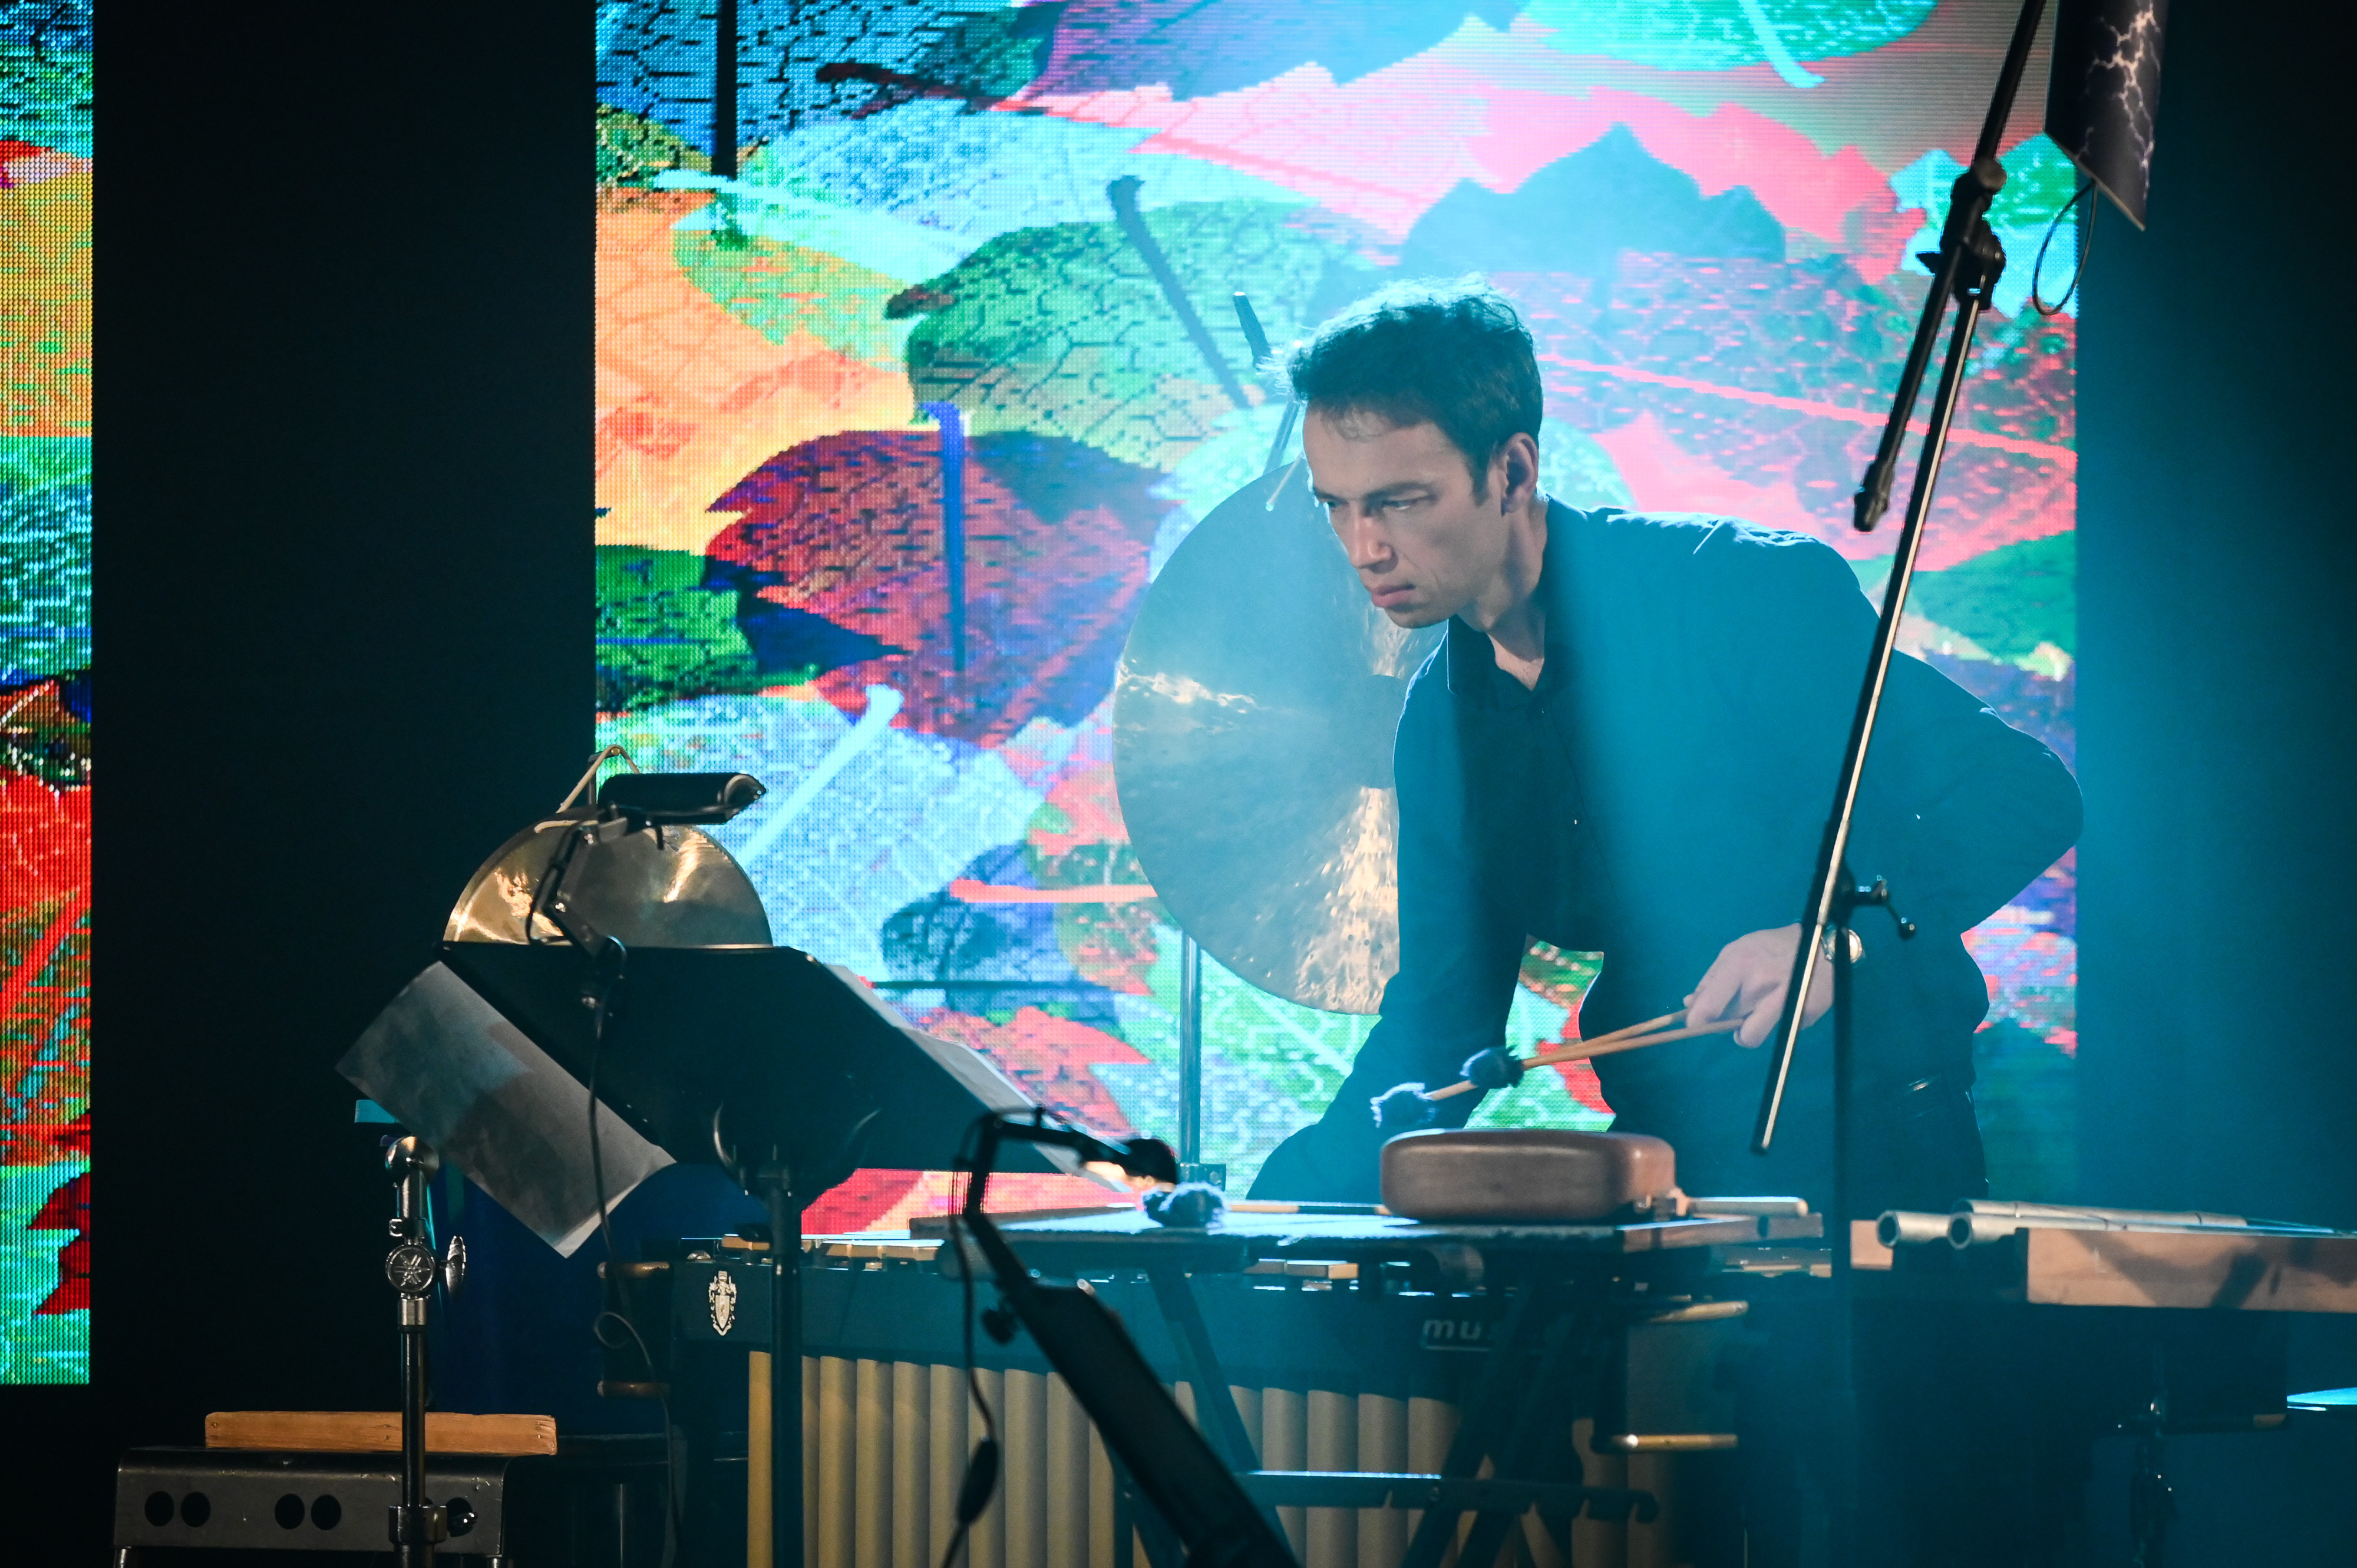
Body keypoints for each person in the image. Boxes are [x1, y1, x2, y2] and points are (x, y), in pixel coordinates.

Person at [1248, 281, 2081, 1215]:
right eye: (1337, 506)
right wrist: (1263, 1217)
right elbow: (1439, 1035)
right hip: (1667, 1170)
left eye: (1400, 502)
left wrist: (1836, 938)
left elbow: (2025, 794)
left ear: (1513, 471)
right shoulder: (1439, 731)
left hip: (1880, 1159)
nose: (1364, 546)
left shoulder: (1740, 594)